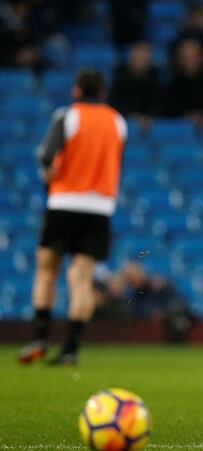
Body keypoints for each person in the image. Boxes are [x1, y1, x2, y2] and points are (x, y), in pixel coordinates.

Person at [17, 70, 127, 365]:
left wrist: (48, 181)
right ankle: (71, 350)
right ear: (103, 93)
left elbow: (45, 156)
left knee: (46, 270)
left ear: (76, 90)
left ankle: (39, 337)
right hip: (100, 207)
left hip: (64, 200)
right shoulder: (117, 121)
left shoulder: (67, 116)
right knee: (81, 279)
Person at [109, 41, 162, 124]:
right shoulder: (120, 78)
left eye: (144, 59)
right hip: (124, 121)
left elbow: (159, 104)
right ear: (131, 59)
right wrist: (133, 116)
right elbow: (114, 103)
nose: (140, 62)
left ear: (149, 61)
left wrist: (149, 116)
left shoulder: (156, 79)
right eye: (137, 58)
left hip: (150, 123)